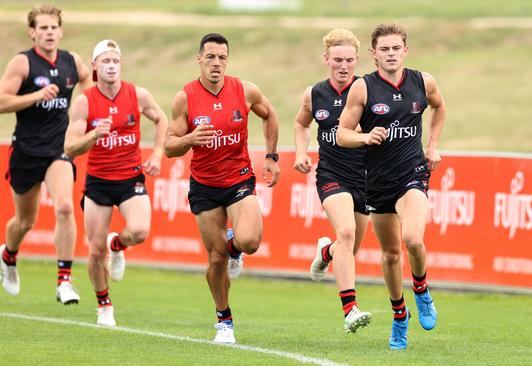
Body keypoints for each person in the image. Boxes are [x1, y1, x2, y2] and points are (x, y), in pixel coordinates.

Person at [164, 33, 280, 344]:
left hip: (239, 178)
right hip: (204, 186)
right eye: (211, 57)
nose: (216, 63)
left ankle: (234, 247)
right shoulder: (185, 98)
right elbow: (169, 146)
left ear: (227, 60)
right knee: (215, 259)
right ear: (198, 59)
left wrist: (271, 156)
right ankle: (224, 321)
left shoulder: (244, 90)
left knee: (251, 241)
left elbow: (270, 115)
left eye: (222, 58)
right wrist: (190, 139)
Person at [337, 23, 444, 350]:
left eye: (396, 48)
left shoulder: (422, 82)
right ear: (374, 54)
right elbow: (342, 133)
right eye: (384, 49)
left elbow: (439, 107)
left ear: (405, 50)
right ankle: (400, 315)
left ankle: (422, 290)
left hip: (412, 173)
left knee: (412, 238)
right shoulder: (363, 88)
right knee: (390, 253)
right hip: (377, 180)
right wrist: (365, 137)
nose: (391, 54)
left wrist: (433, 144)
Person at [64, 40, 167, 326]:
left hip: (130, 177)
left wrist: (157, 153)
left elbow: (161, 119)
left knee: (140, 230)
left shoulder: (138, 94)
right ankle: (104, 304)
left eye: (115, 60)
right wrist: (93, 135)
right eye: (105, 61)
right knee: (95, 250)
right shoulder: (85, 101)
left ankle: (118, 245)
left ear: (121, 64)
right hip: (98, 182)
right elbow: (70, 148)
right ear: (94, 66)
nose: (111, 66)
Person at [0, 4, 92, 303]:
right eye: (43, 28)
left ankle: (64, 280)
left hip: (59, 149)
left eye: (53, 28)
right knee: (24, 222)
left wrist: (87, 112)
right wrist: (37, 95)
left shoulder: (72, 61)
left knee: (65, 207)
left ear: (60, 31)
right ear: (32, 32)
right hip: (26, 151)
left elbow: (90, 89)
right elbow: (1, 102)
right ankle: (9, 255)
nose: (49, 32)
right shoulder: (22, 64)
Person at [293, 29, 372, 333]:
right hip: (331, 175)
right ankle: (350, 310)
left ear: (357, 60)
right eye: (337, 59)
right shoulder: (314, 94)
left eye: (350, 60)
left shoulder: (367, 91)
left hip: (365, 178)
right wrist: (301, 151)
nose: (343, 66)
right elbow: (301, 123)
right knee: (347, 232)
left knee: (347, 250)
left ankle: (326, 252)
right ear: (326, 59)